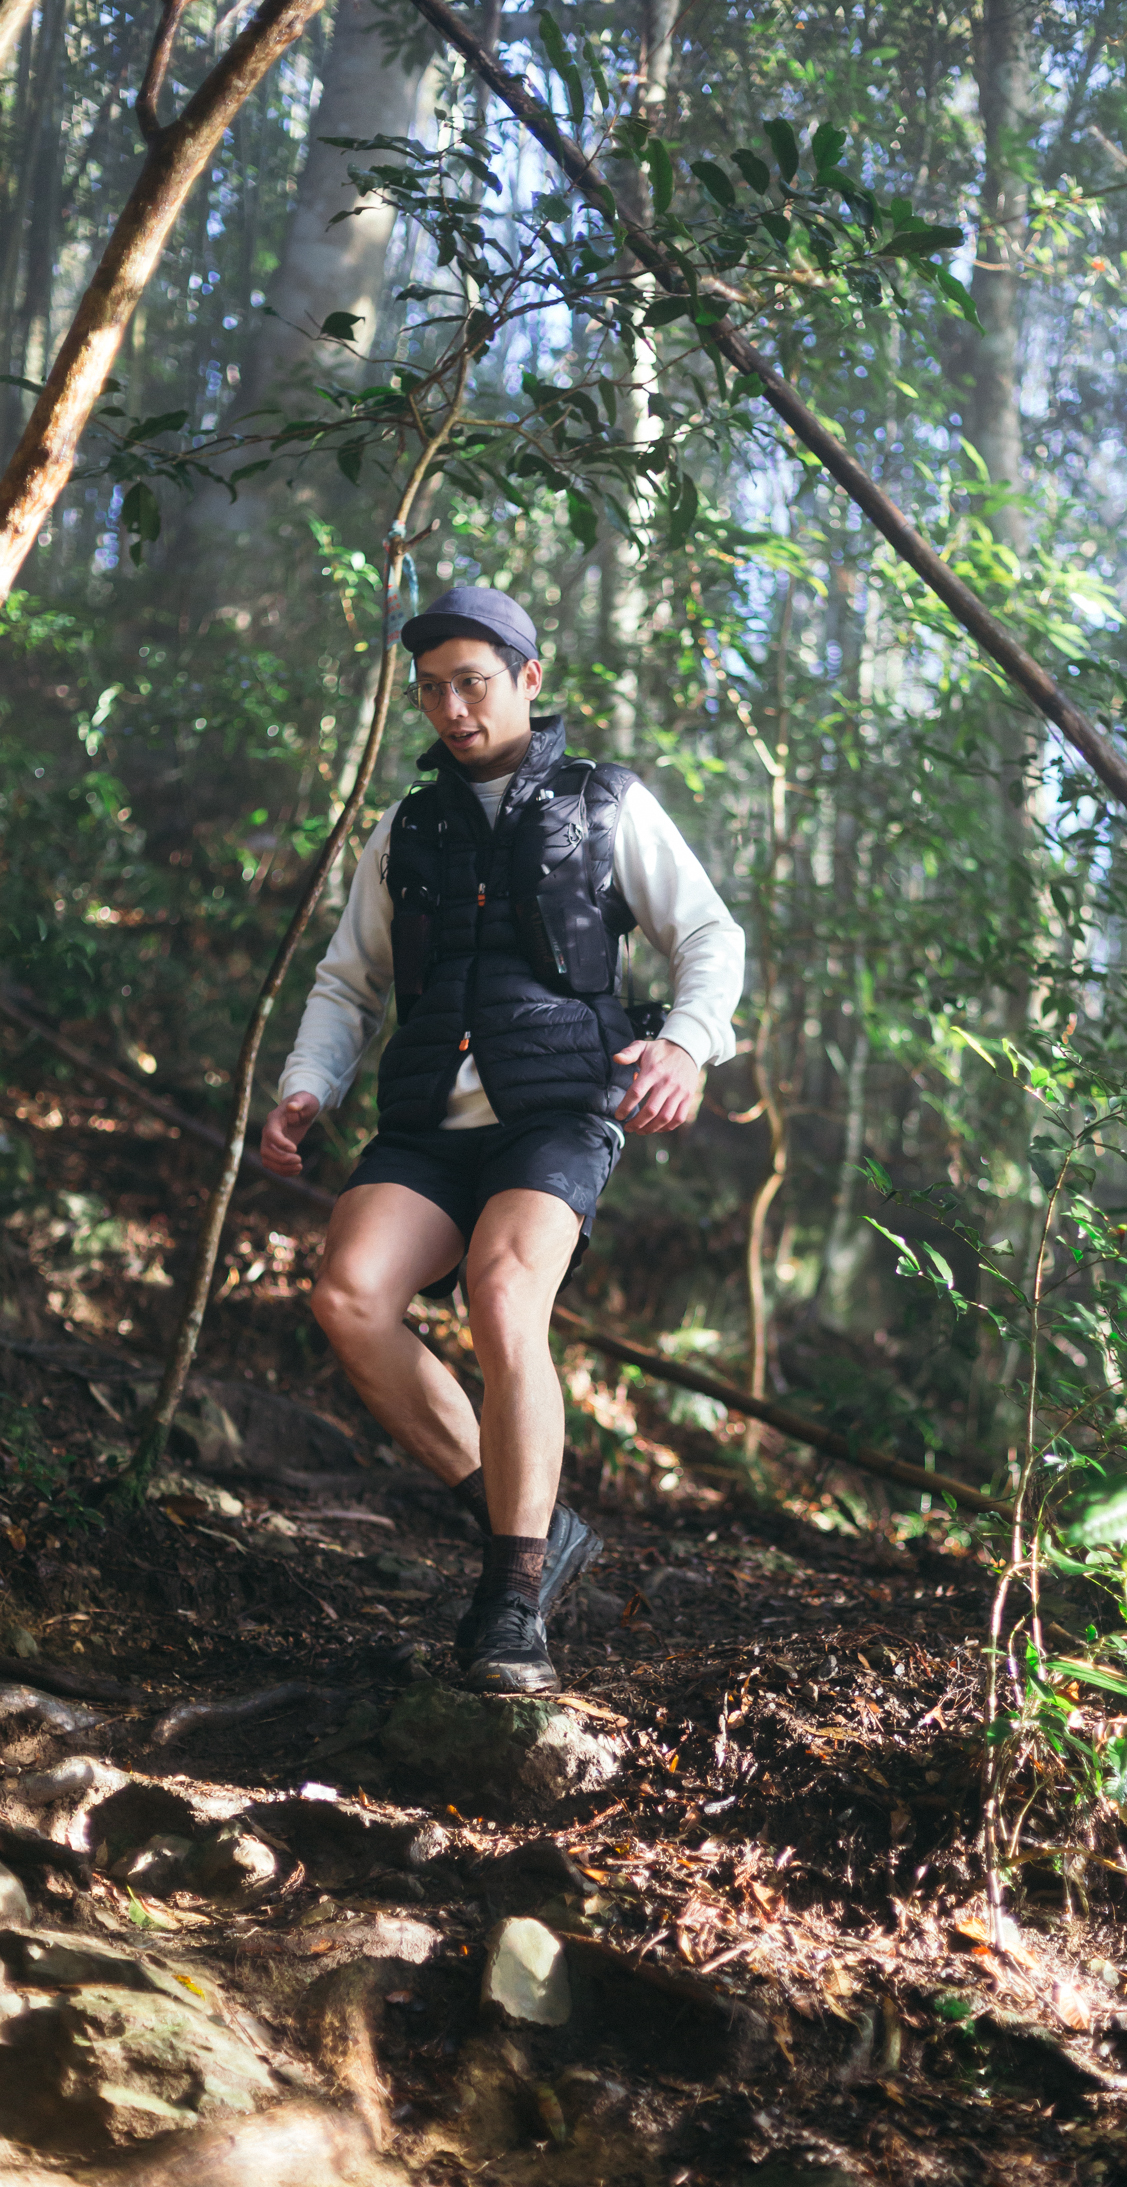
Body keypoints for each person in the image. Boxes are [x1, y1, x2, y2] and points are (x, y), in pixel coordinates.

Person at [259, 587, 744, 1694]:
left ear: (528, 677)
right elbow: (349, 981)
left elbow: (709, 934)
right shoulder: (408, 826)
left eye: (472, 682)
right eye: (431, 689)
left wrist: (684, 1047)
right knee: (347, 1295)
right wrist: (307, 1087)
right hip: (430, 1121)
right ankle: (530, 1517)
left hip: (559, 1110)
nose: (451, 708)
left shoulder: (603, 802)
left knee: (503, 1287)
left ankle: (512, 1594)